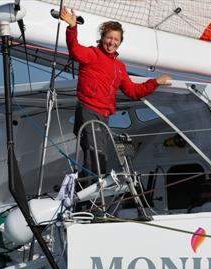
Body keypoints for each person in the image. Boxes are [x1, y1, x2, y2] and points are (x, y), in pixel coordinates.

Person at [60, 7, 171, 176]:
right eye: (109, 38)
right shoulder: (92, 54)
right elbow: (74, 49)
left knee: (100, 159)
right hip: (88, 111)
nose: (112, 42)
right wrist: (72, 27)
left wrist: (155, 82)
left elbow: (133, 91)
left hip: (104, 116)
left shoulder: (119, 67)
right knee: (95, 158)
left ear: (120, 42)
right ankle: (89, 198)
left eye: (116, 39)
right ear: (102, 38)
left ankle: (87, 195)